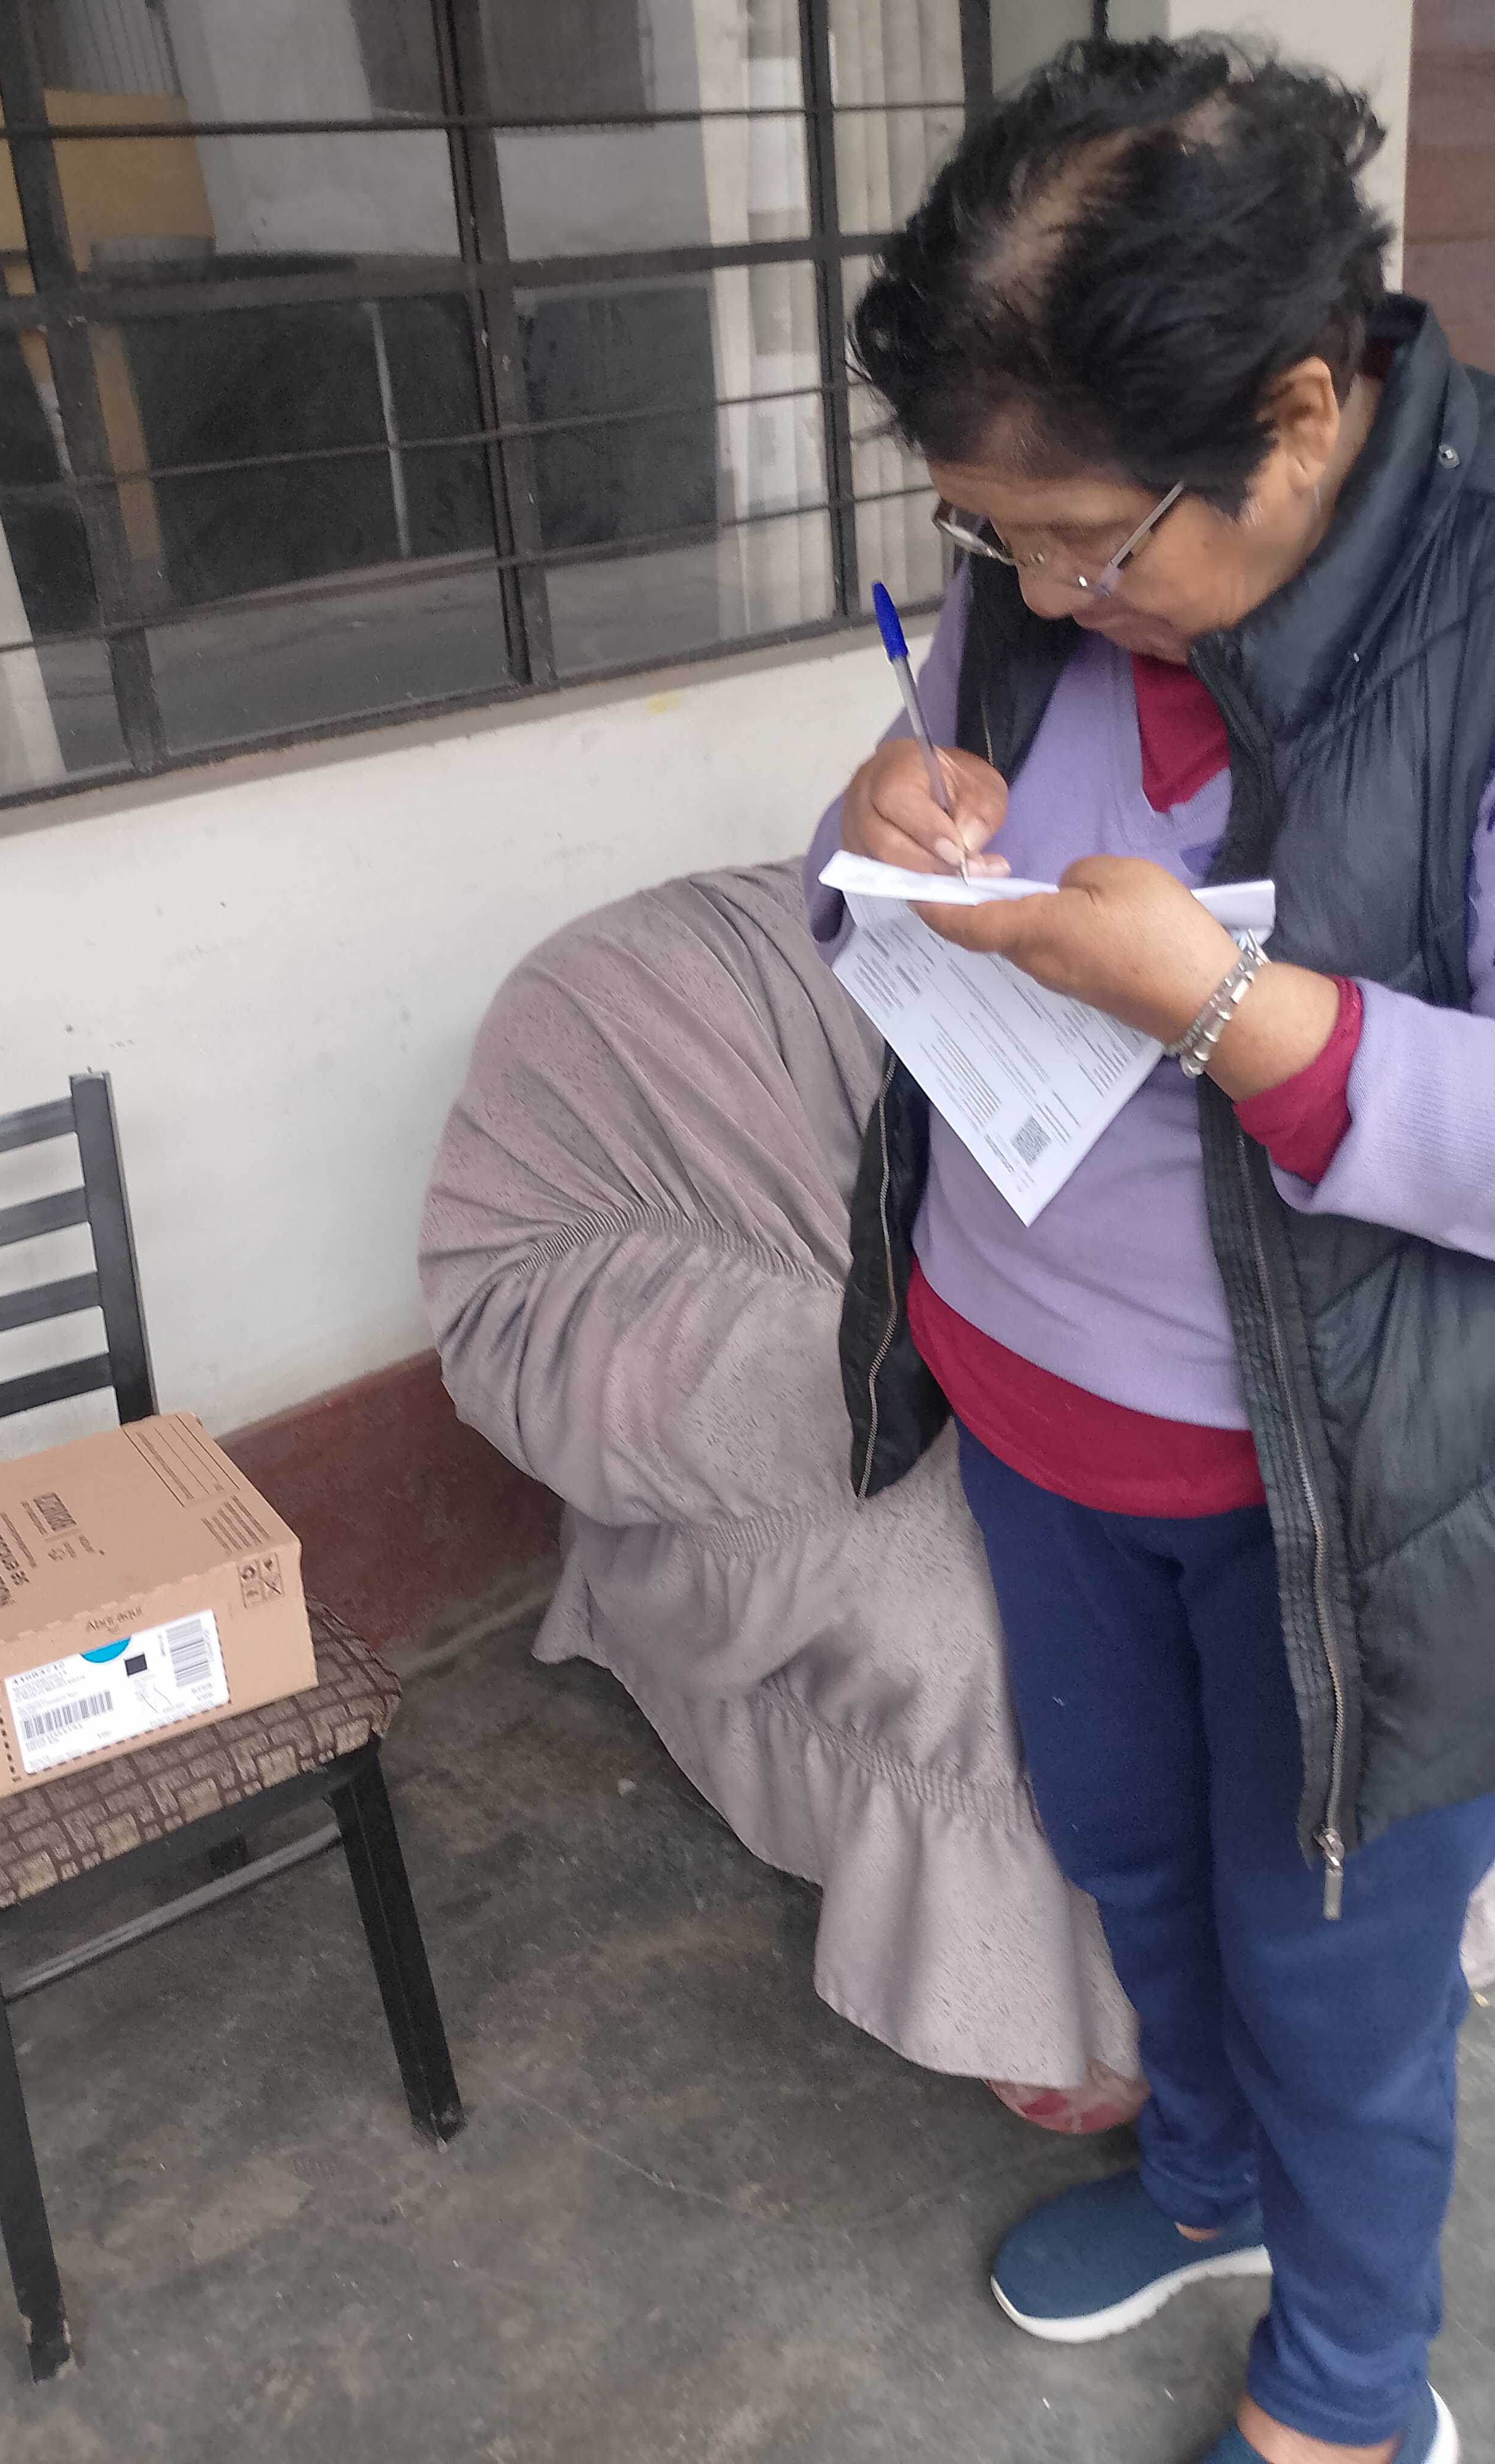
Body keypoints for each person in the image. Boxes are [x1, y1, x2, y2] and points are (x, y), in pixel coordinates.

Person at [804, 36, 1495, 2464]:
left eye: (1093, 546)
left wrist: (1220, 1008)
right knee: (1134, 1864)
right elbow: (890, 904)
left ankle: (1350, 2392)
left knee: (1339, 1973)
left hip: (1344, 1490)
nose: (1041, 596)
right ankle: (1203, 2190)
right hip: (1034, 1411)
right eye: (989, 539)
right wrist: (877, 822)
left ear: (1300, 414)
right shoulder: (1043, 577)